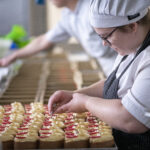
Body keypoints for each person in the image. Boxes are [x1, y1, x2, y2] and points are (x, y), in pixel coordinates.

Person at [48, 0, 150, 149]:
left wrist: (85, 102)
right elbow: (115, 83)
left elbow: (131, 119)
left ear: (132, 26)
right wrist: (75, 95)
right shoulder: (132, 45)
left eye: (105, 36)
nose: (104, 43)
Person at [0, 0, 116, 77]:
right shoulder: (68, 15)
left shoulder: (93, 8)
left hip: (121, 65)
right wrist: (14, 56)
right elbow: (43, 41)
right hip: (106, 69)